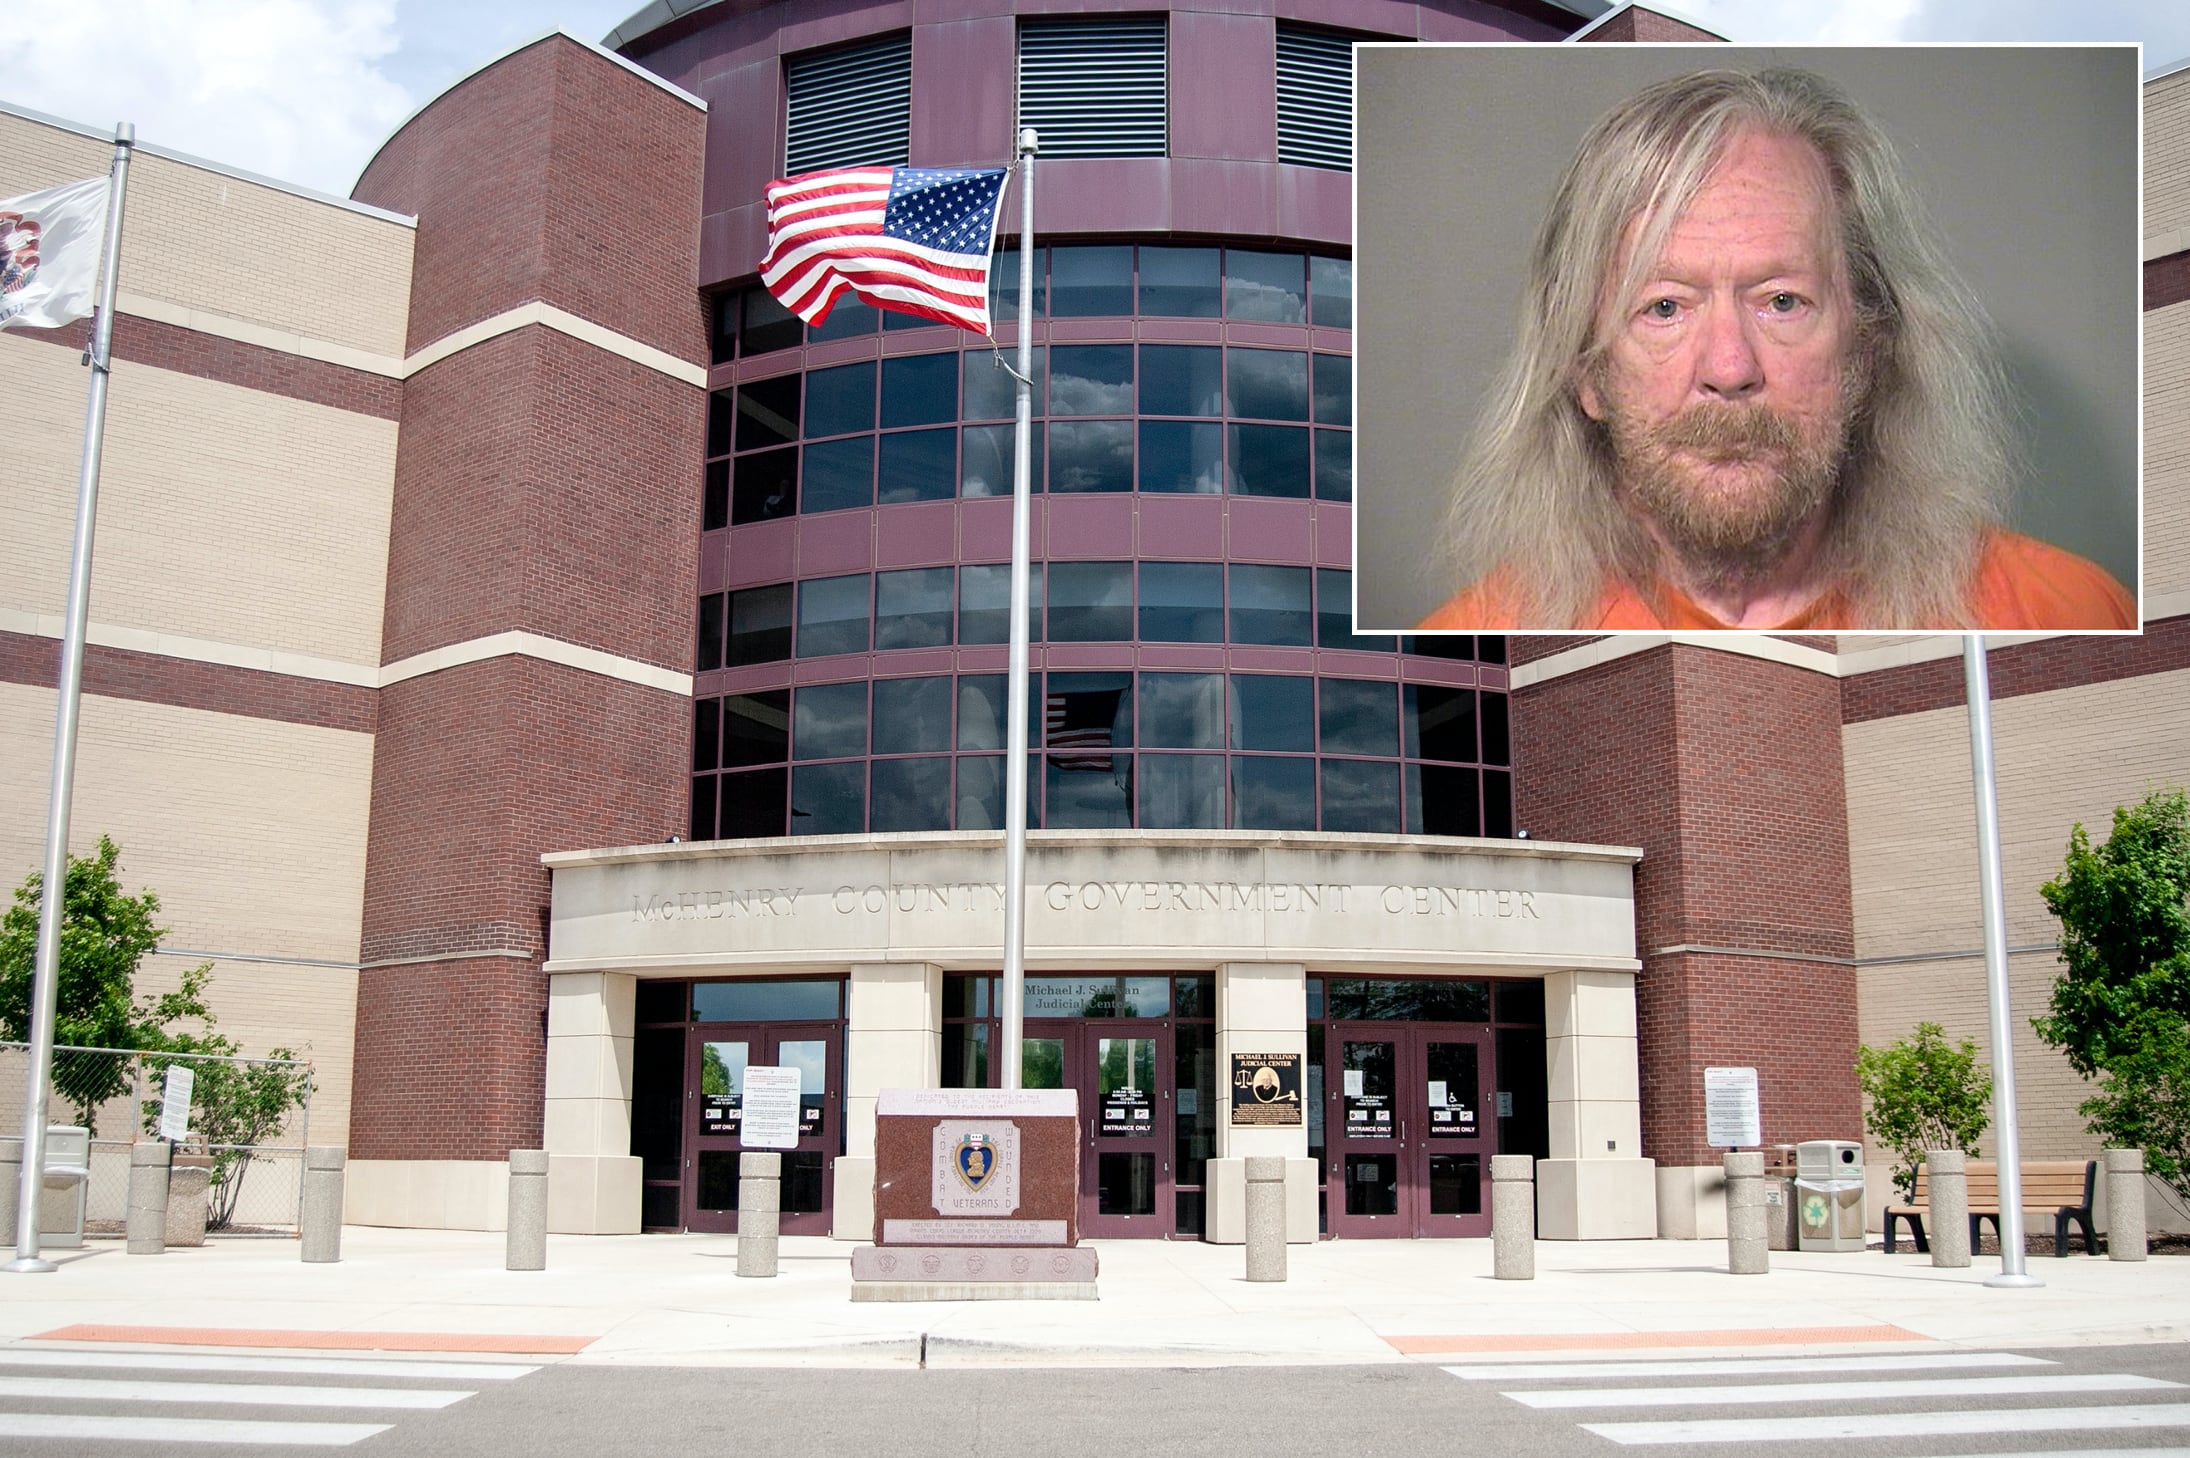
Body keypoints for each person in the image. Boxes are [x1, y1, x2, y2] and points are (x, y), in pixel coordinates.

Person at [1419, 68, 2134, 632]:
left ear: (1867, 347)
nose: (1730, 369)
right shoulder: (1482, 627)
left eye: (1782, 301)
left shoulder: (2068, 609)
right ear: (1587, 375)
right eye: (1664, 307)